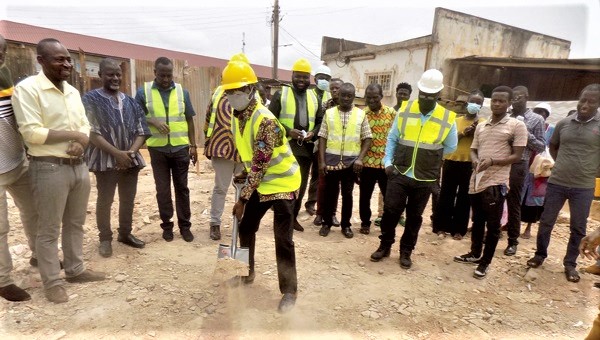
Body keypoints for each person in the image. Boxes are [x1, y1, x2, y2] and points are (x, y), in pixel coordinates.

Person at [13, 38, 106, 303]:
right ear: (40, 60)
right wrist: (74, 135)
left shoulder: (72, 91)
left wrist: (81, 140)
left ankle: (75, 269)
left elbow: (84, 124)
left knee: (75, 223)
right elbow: (31, 132)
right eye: (59, 59)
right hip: (48, 168)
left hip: (78, 167)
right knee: (49, 229)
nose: (66, 64)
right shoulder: (28, 89)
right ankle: (52, 281)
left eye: (68, 59)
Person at [223, 60, 300, 313]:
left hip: (283, 181)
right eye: (230, 92)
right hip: (261, 182)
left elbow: (261, 164)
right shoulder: (237, 117)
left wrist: (243, 199)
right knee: (246, 227)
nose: (234, 96)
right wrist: (243, 172)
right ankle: (246, 272)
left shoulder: (265, 120)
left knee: (282, 237)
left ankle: (289, 291)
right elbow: (250, 155)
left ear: (252, 89)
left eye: (239, 91)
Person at [370, 69, 457, 268]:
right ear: (419, 91)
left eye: (431, 95)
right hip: (400, 171)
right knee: (391, 211)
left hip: (425, 177)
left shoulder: (447, 118)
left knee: (414, 217)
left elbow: (450, 147)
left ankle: (406, 251)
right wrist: (388, 163)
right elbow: (392, 138)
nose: (426, 98)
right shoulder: (406, 110)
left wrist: (431, 159)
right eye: (423, 94)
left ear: (438, 95)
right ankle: (385, 246)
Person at [526, 83, 600, 283]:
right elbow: (554, 146)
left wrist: (589, 169)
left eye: (591, 101)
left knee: (578, 227)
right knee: (546, 222)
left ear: (598, 104)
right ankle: (540, 255)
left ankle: (570, 264)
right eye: (583, 100)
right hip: (557, 182)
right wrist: (564, 165)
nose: (585, 104)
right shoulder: (564, 123)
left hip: (583, 187)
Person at [453, 86, 527, 279]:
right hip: (477, 180)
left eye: (501, 100)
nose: (496, 103)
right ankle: (475, 253)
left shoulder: (516, 126)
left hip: (497, 181)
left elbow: (518, 156)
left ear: (509, 103)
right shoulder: (481, 126)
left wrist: (494, 162)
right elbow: (473, 149)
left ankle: (485, 262)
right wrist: (475, 159)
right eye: (494, 100)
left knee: (493, 226)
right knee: (477, 220)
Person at [83, 58, 151, 257]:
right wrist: (117, 154)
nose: (115, 78)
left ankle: (125, 233)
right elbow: (92, 132)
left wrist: (129, 153)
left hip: (130, 159)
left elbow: (142, 130)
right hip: (104, 160)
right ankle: (105, 238)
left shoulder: (130, 101)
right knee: (105, 199)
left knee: (128, 199)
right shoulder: (90, 99)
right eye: (110, 74)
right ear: (100, 75)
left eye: (118, 74)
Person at [135, 57, 197, 243]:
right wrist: (152, 120)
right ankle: (167, 226)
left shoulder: (182, 92)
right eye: (162, 75)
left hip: (180, 148)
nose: (165, 79)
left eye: (169, 75)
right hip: (158, 149)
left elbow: (189, 120)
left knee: (182, 189)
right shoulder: (143, 92)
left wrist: (193, 146)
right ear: (155, 72)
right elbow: (135, 114)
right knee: (162, 190)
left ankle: (185, 226)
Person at [0, 34, 39, 302]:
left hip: (16, 161)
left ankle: (40, 256)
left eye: (1, 51)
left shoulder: (5, 76)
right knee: (0, 227)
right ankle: (3, 280)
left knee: (34, 211)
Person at [269, 58, 323, 232]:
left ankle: (293, 218)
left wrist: (313, 133)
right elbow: (270, 121)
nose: (301, 81)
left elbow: (321, 122)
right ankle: (282, 218)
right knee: (284, 185)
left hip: (306, 149)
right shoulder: (280, 94)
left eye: (305, 77)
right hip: (285, 147)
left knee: (301, 184)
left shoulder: (314, 96)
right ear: (292, 76)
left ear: (310, 79)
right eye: (298, 77)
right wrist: (287, 131)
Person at [318, 82, 372, 238]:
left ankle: (346, 225)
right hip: (331, 162)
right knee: (329, 194)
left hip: (351, 163)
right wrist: (322, 162)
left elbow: (367, 137)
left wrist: (360, 159)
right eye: (343, 95)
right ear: (338, 95)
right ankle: (326, 223)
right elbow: (322, 137)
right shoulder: (329, 113)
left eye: (349, 96)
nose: (346, 98)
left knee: (347, 195)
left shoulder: (361, 114)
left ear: (354, 97)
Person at [203, 53, 247, 241]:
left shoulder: (253, 94)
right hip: (222, 148)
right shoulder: (219, 92)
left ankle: (242, 222)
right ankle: (215, 223)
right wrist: (207, 143)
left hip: (244, 150)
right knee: (220, 187)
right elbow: (208, 118)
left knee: (243, 188)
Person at [434, 90, 484, 240]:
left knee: (464, 198)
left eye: (478, 103)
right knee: (446, 195)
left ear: (481, 106)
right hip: (451, 161)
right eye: (472, 102)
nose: (474, 105)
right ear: (467, 102)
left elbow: (484, 144)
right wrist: (463, 133)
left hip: (469, 164)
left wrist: (475, 133)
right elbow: (447, 139)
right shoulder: (455, 121)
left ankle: (458, 230)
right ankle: (441, 227)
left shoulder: (483, 124)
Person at [502, 85, 546, 257]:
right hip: (501, 163)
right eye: (513, 98)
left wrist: (524, 131)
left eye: (519, 97)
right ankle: (494, 231)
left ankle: (513, 241)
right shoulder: (506, 117)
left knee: (514, 203)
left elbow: (541, 145)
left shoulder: (536, 119)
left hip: (519, 164)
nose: (515, 100)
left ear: (527, 97)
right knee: (496, 199)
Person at [359, 83, 395, 235]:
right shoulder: (362, 114)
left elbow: (396, 137)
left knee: (389, 197)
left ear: (381, 96)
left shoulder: (391, 113)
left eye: (375, 97)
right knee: (364, 196)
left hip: (386, 164)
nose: (372, 100)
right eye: (368, 97)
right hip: (367, 162)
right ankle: (365, 223)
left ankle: (386, 224)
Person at [375, 81, 412, 228]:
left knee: (402, 185)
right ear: (396, 94)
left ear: (409, 96)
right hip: (389, 153)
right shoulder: (389, 112)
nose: (402, 96)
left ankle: (400, 215)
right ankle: (381, 214)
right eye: (400, 93)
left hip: (404, 154)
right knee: (385, 184)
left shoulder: (410, 113)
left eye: (405, 94)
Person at [520, 102, 554, 239]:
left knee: (535, 199)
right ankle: (510, 223)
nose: (542, 115)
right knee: (518, 196)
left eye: (545, 113)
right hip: (525, 164)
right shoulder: (526, 124)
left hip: (540, 169)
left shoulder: (551, 130)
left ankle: (528, 227)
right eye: (539, 111)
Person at [312, 78, 343, 227]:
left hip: (340, 151)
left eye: (337, 88)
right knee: (322, 183)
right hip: (325, 149)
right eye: (332, 89)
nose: (335, 91)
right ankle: (319, 214)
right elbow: (320, 127)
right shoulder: (325, 106)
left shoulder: (349, 107)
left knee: (335, 185)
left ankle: (332, 214)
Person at [305, 64, 332, 217]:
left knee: (316, 174)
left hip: (319, 142)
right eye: (321, 78)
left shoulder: (330, 96)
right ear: (315, 79)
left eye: (327, 78)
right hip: (305, 139)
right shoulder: (308, 94)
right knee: (300, 175)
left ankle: (311, 203)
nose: (324, 81)